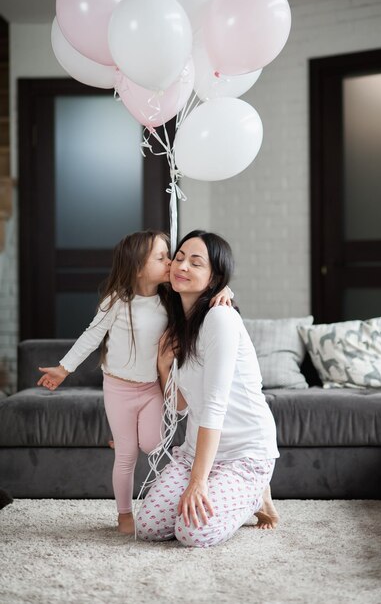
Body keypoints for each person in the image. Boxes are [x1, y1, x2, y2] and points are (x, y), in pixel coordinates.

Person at [37, 230, 231, 535]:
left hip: (151, 388)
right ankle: (124, 514)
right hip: (118, 388)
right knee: (126, 455)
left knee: (153, 444)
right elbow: (91, 335)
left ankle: (129, 436)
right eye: (163, 257)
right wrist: (64, 368)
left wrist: (227, 291)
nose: (172, 263)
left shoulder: (171, 300)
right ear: (139, 267)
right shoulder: (117, 301)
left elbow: (203, 294)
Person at [135, 230, 279, 547]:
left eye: (196, 262)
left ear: (214, 278)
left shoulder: (220, 318)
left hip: (244, 454)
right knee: (148, 528)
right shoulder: (178, 323)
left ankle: (256, 495)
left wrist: (198, 484)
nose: (182, 266)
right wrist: (162, 366)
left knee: (193, 533)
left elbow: (215, 406)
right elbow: (181, 407)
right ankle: (222, 488)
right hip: (196, 454)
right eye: (180, 257)